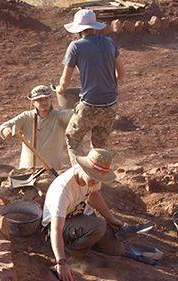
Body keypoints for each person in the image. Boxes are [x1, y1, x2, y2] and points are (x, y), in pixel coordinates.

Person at [43, 148, 125, 281]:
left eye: (99, 178)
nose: (95, 181)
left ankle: (86, 240)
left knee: (117, 249)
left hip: (78, 216)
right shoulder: (62, 192)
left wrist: (111, 219)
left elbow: (93, 195)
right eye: (93, 177)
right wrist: (61, 262)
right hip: (57, 226)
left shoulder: (93, 178)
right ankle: (70, 255)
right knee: (98, 226)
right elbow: (56, 229)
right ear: (83, 168)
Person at [56, 9, 123, 165]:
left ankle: (81, 175)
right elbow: (121, 74)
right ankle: (98, 176)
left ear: (79, 30)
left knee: (73, 138)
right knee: (100, 145)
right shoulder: (109, 42)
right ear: (94, 27)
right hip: (111, 104)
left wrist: (60, 88)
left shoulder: (76, 46)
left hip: (90, 105)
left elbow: (65, 79)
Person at [0, 84, 73, 171]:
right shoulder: (26, 116)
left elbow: (76, 116)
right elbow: (4, 126)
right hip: (28, 170)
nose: (44, 102)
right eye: (39, 100)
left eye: (46, 98)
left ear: (50, 99)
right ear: (33, 102)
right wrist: (6, 130)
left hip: (52, 170)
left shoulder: (60, 116)